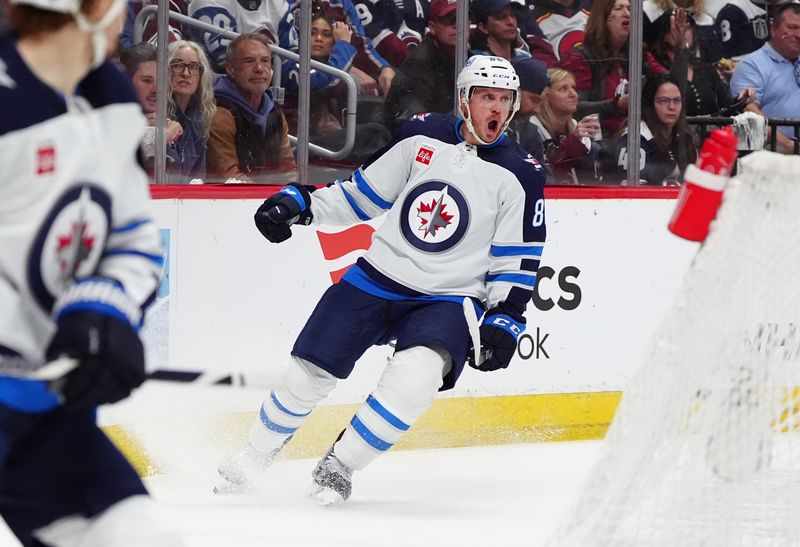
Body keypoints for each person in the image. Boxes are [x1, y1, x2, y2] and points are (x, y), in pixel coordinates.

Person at [216, 55, 547, 505]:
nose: (497, 108)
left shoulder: (521, 173)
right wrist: (303, 206)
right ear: (465, 99)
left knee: (417, 376)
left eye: (505, 99)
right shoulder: (421, 135)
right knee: (306, 373)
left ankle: (339, 466)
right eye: (487, 97)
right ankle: (252, 459)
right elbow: (362, 196)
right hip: (378, 276)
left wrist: (506, 316)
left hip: (449, 298)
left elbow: (517, 258)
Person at [0, 0, 180, 545]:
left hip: (43, 408)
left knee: (132, 533)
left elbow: (129, 236)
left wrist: (102, 307)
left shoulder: (109, 94)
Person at [281, 11, 391, 163]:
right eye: (312, 33)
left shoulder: (339, 75)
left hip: (320, 143)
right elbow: (318, 80)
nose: (318, 39)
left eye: (326, 34)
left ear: (333, 42)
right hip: (295, 145)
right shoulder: (290, 64)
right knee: (377, 134)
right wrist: (344, 45)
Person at [207, 33, 296, 183]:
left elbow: (288, 170)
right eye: (249, 61)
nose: (259, 68)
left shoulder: (275, 113)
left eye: (265, 61)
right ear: (230, 70)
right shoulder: (220, 114)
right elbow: (231, 179)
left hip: (265, 198)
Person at [601, 73, 697, 185]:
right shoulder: (635, 141)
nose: (672, 107)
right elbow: (634, 196)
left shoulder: (684, 138)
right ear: (650, 104)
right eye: (663, 101)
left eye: (676, 100)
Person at [730, 2, 800, 154]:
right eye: (792, 28)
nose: (799, 35)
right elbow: (749, 111)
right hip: (770, 155)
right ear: (773, 29)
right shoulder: (752, 65)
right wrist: (788, 145)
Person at [385, 0, 458, 128]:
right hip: (418, 139)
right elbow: (415, 121)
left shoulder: (468, 57)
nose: (458, 26)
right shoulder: (418, 64)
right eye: (450, 20)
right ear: (432, 27)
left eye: (464, 19)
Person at [118, 43, 183, 175]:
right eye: (147, 81)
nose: (156, 89)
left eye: (161, 81)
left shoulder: (165, 122)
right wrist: (164, 134)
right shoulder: (106, 114)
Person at [532, 68, 601, 184]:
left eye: (573, 88)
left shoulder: (576, 126)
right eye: (563, 89)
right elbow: (546, 174)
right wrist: (573, 141)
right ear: (546, 95)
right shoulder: (533, 128)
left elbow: (588, 180)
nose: (573, 94)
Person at [187, 0, 297, 72]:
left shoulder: (278, 4)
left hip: (266, 90)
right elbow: (233, 66)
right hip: (214, 94)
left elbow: (290, 58)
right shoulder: (208, 3)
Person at [165, 40, 216, 183]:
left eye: (194, 67)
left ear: (202, 75)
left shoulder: (200, 121)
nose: (186, 74)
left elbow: (198, 181)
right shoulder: (154, 115)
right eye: (177, 65)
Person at [507, 56, 549, 167]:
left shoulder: (530, 132)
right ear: (514, 92)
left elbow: (544, 178)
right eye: (534, 99)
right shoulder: (481, 127)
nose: (537, 110)